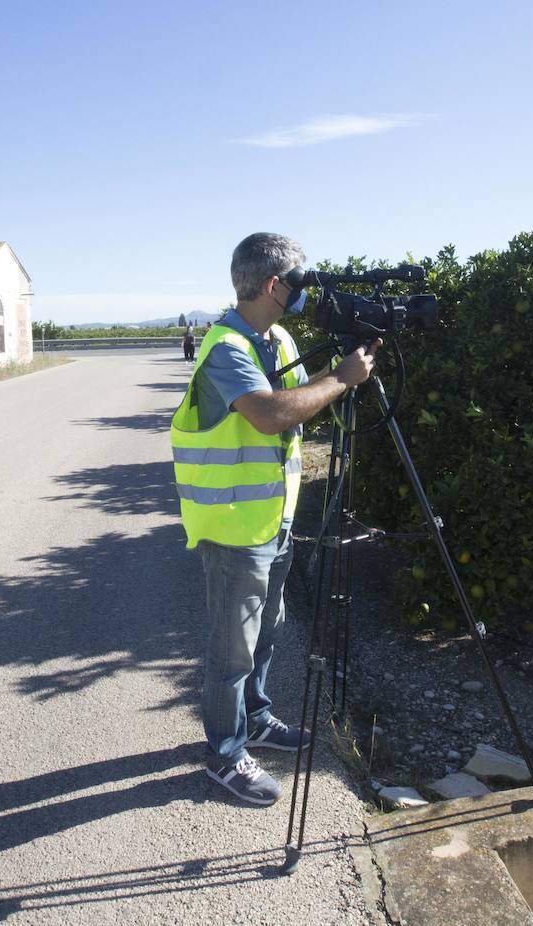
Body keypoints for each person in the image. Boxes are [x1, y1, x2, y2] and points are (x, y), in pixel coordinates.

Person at [170, 233, 379, 805]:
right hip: (235, 527)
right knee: (231, 647)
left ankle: (256, 719)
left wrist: (334, 382)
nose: (304, 291)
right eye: (299, 280)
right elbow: (266, 415)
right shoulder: (226, 349)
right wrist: (341, 380)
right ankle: (225, 752)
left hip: (272, 519)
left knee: (268, 631)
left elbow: (296, 410)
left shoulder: (276, 337)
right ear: (272, 285)